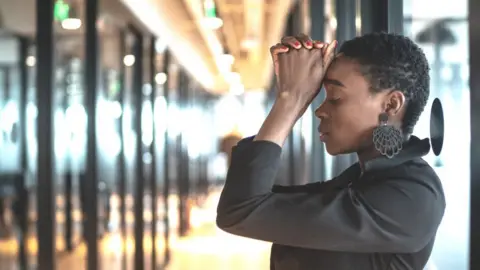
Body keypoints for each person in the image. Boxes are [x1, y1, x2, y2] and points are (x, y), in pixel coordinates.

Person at [216, 32, 446, 270]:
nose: (320, 110)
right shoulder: (361, 178)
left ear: (390, 104)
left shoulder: (413, 195)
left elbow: (242, 210)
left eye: (335, 97)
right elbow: (251, 202)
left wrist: (291, 99)